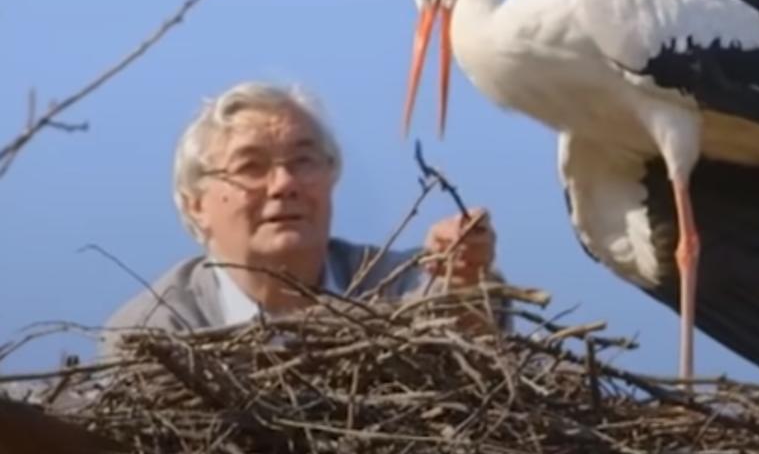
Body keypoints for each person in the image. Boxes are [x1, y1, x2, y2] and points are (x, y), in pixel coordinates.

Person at [100, 81, 501, 355]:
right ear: (195, 206)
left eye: (304, 161)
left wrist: (463, 282)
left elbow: (475, 358)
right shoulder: (155, 331)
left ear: (331, 178)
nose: (284, 184)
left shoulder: (401, 287)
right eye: (251, 167)